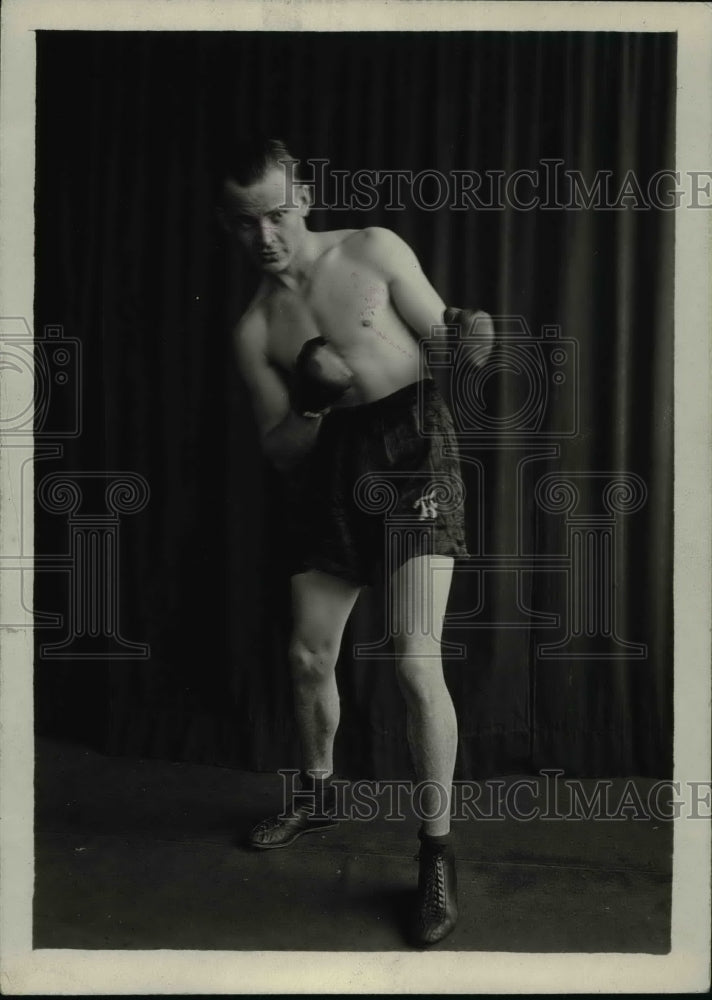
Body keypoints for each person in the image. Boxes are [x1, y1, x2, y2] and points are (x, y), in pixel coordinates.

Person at [220, 136, 493, 947]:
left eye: (276, 212)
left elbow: (441, 335)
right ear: (228, 226)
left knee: (414, 660)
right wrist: (310, 400)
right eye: (244, 224)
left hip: (414, 451)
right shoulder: (254, 329)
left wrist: (466, 337)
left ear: (302, 193)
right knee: (309, 658)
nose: (265, 237)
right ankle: (316, 795)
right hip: (330, 472)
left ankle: (435, 852)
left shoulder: (372, 249)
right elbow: (277, 448)